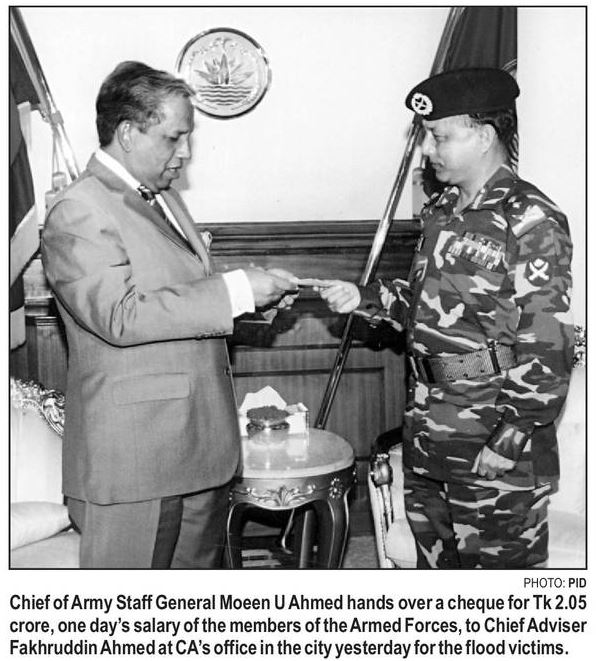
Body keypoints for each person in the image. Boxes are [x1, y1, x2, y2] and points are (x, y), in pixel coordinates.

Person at [41, 61, 297, 568]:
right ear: (128, 133)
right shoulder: (79, 209)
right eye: (174, 137)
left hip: (198, 447)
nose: (186, 153)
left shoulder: (165, 199)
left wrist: (255, 303)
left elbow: (184, 304)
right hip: (136, 458)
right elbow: (119, 316)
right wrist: (235, 291)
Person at [318, 68, 574, 568]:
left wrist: (511, 435)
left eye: (440, 136)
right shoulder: (443, 211)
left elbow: (546, 342)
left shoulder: (530, 219)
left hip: (491, 438)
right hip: (428, 429)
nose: (429, 150)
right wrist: (363, 296)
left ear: (484, 135)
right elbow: (422, 304)